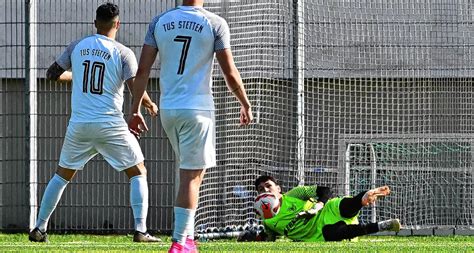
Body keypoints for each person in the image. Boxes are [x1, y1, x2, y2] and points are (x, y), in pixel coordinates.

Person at [28, 3, 160, 243]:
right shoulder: (122, 52)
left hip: (79, 125)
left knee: (61, 176)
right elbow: (134, 86)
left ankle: (39, 228)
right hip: (110, 124)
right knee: (138, 171)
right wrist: (148, 104)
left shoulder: (78, 46)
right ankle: (141, 231)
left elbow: (52, 74)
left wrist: (77, 77)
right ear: (117, 24)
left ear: (95, 23)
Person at [128, 0, 253, 252]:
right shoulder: (215, 23)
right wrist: (245, 103)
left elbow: (142, 70)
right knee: (191, 177)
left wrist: (134, 110)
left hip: (169, 109)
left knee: (193, 174)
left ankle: (189, 237)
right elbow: (229, 72)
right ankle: (179, 243)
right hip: (197, 109)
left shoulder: (160, 21)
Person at [240, 175, 400, 242]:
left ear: (279, 189)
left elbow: (325, 191)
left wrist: (318, 205)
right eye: (261, 189)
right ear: (258, 195)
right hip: (319, 232)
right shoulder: (267, 220)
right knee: (332, 232)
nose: (266, 190)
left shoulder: (294, 194)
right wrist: (252, 237)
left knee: (344, 205)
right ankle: (382, 225)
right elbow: (270, 237)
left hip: (326, 209)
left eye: (268, 186)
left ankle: (363, 198)